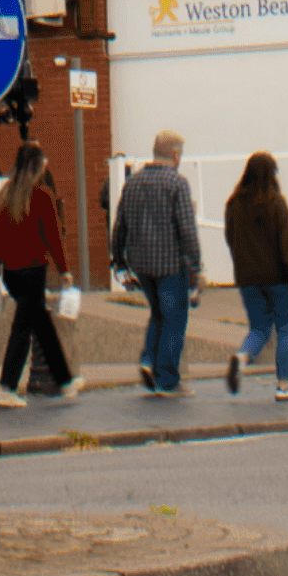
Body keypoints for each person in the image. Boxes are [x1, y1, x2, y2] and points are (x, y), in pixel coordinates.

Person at [0, 139, 77, 407]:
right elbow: (53, 238)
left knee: (42, 325)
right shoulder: (41, 197)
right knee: (24, 328)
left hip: (11, 275)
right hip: (34, 270)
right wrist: (65, 270)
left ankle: (65, 382)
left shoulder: (5, 196)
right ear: (37, 168)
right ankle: (7, 387)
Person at [110, 129, 201, 396]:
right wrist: (197, 266)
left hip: (141, 264)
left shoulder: (133, 183)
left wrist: (119, 262)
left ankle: (149, 360)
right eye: (180, 154)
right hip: (170, 264)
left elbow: (120, 227)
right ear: (174, 155)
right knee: (174, 319)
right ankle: (167, 379)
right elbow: (187, 230)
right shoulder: (177, 184)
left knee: (158, 313)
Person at [222, 151, 288, 402]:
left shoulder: (234, 203)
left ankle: (242, 357)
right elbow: (286, 242)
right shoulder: (276, 202)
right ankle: (283, 386)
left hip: (248, 278)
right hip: (279, 278)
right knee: (286, 331)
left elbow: (230, 238)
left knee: (259, 329)